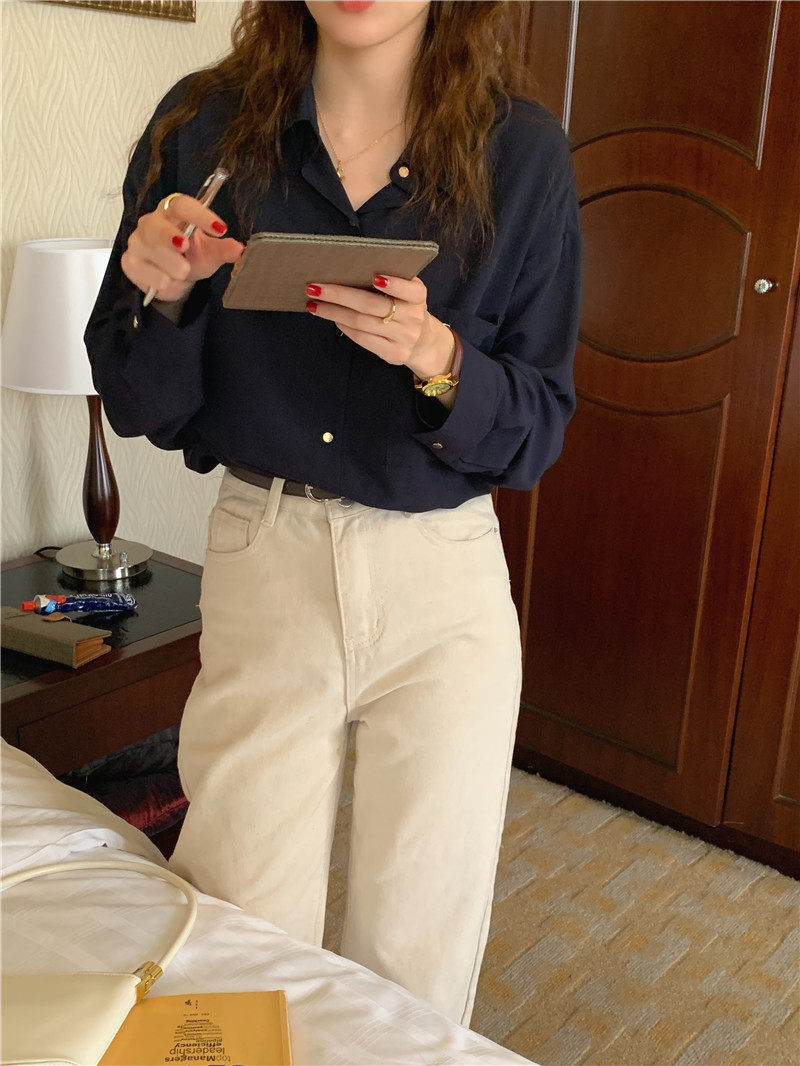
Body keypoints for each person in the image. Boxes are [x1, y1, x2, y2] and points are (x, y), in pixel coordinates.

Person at [83, 0, 582, 1029]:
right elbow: (138, 402)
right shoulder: (205, 130)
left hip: (440, 574)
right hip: (265, 551)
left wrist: (438, 358)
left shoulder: (519, 153)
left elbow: (537, 425)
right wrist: (164, 294)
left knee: (420, 934)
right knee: (238, 918)